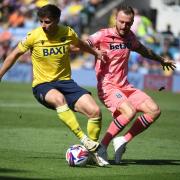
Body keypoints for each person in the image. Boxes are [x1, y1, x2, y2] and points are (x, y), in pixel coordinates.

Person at [0, 4, 107, 167]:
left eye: (47, 22)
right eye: (41, 21)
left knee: (95, 111)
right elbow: (14, 54)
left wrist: (96, 53)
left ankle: (92, 153)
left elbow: (80, 44)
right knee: (59, 99)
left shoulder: (67, 32)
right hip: (42, 85)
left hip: (66, 82)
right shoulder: (33, 36)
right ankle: (83, 139)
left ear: (57, 20)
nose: (43, 25)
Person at [85, 4, 176, 165]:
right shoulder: (102, 35)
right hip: (108, 86)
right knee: (129, 111)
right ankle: (102, 147)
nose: (124, 26)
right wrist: (93, 51)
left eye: (128, 23)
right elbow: (83, 44)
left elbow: (143, 50)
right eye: (121, 22)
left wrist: (161, 60)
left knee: (154, 110)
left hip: (125, 86)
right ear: (115, 19)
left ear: (132, 22)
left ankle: (122, 140)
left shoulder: (130, 37)